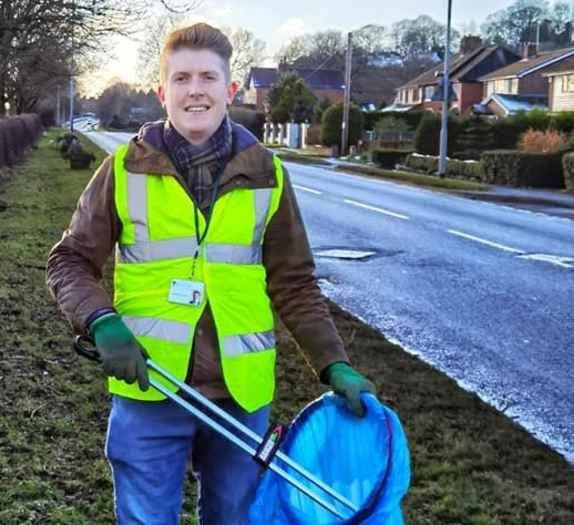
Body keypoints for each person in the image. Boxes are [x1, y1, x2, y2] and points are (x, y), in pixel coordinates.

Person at [46, 22, 376, 525]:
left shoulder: (269, 175)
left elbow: (294, 282)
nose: (194, 90)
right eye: (180, 79)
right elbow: (69, 260)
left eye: (207, 77)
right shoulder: (122, 170)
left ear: (230, 89)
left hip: (239, 396)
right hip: (150, 385)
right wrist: (99, 321)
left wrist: (334, 364)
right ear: (163, 91)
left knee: (235, 518)